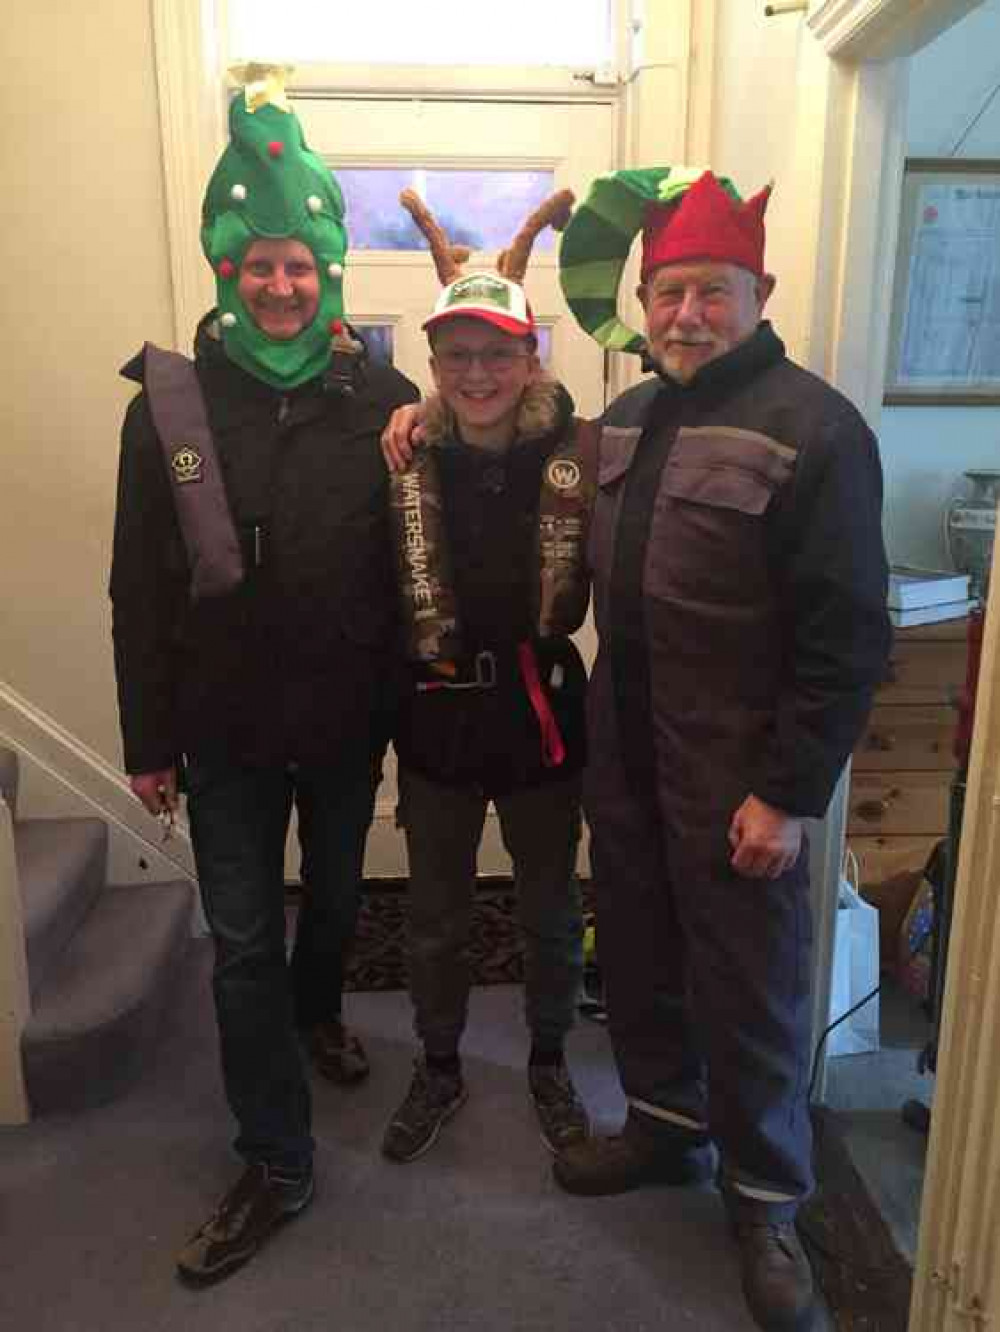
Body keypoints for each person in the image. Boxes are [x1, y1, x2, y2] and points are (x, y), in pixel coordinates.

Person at [384, 168, 891, 1332]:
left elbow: (847, 631)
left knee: (751, 982)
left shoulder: (816, 428)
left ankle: (766, 1200)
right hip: (620, 747)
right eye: (666, 295)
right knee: (645, 955)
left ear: (758, 293)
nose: (684, 317)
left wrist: (789, 791)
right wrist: (410, 414)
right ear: (644, 303)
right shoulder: (628, 422)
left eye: (710, 293)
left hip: (740, 769)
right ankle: (665, 1128)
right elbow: (511, 426)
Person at [110, 69, 418, 1285]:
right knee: (242, 938)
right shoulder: (168, 409)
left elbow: (418, 567)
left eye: (301, 265)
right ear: (228, 272)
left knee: (336, 900)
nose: (282, 285)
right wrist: (146, 739)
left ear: (328, 271)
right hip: (223, 727)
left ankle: (320, 1013)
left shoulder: (384, 401)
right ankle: (277, 1158)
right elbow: (137, 584)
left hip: (346, 721)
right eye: (260, 266)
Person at [380, 191, 590, 1165]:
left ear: (529, 356)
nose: (476, 373)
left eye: (495, 353)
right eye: (456, 355)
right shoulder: (405, 453)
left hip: (541, 710)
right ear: (433, 365)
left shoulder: (579, 451)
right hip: (435, 717)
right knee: (434, 911)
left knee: (550, 903)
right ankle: (438, 1063)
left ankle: (549, 1059)